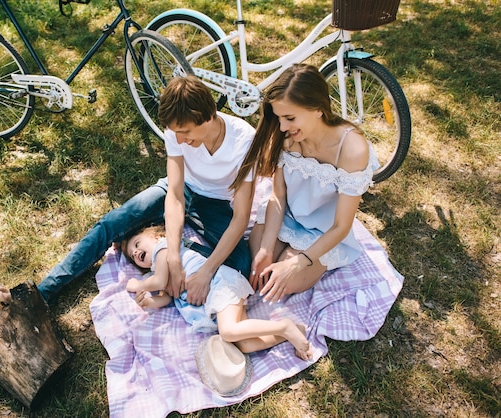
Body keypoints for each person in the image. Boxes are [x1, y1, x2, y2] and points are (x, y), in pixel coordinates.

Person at [37, 76, 255, 305]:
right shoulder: (176, 128)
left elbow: (241, 218)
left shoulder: (244, 140)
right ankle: (44, 292)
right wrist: (172, 259)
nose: (179, 139)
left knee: (241, 264)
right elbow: (175, 192)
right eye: (175, 133)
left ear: (209, 117)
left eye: (186, 132)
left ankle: (163, 242)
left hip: (215, 203)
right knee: (112, 223)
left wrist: (206, 271)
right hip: (175, 192)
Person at [231, 64, 379, 304]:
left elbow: (341, 226)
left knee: (282, 281)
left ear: (318, 108)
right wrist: (267, 248)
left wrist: (297, 263)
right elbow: (278, 196)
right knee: (253, 266)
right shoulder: (287, 137)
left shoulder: (351, 148)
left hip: (323, 231)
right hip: (286, 214)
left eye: (289, 118)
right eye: (279, 118)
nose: (281, 128)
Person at [122, 225, 312, 360]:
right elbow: (166, 296)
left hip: (220, 285)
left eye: (137, 243)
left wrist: (137, 285)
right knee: (245, 344)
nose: (136, 251)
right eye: (133, 255)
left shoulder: (163, 249)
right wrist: (150, 303)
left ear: (155, 236)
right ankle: (294, 331)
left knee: (228, 332)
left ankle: (283, 326)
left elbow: (160, 281)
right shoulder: (156, 270)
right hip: (217, 300)